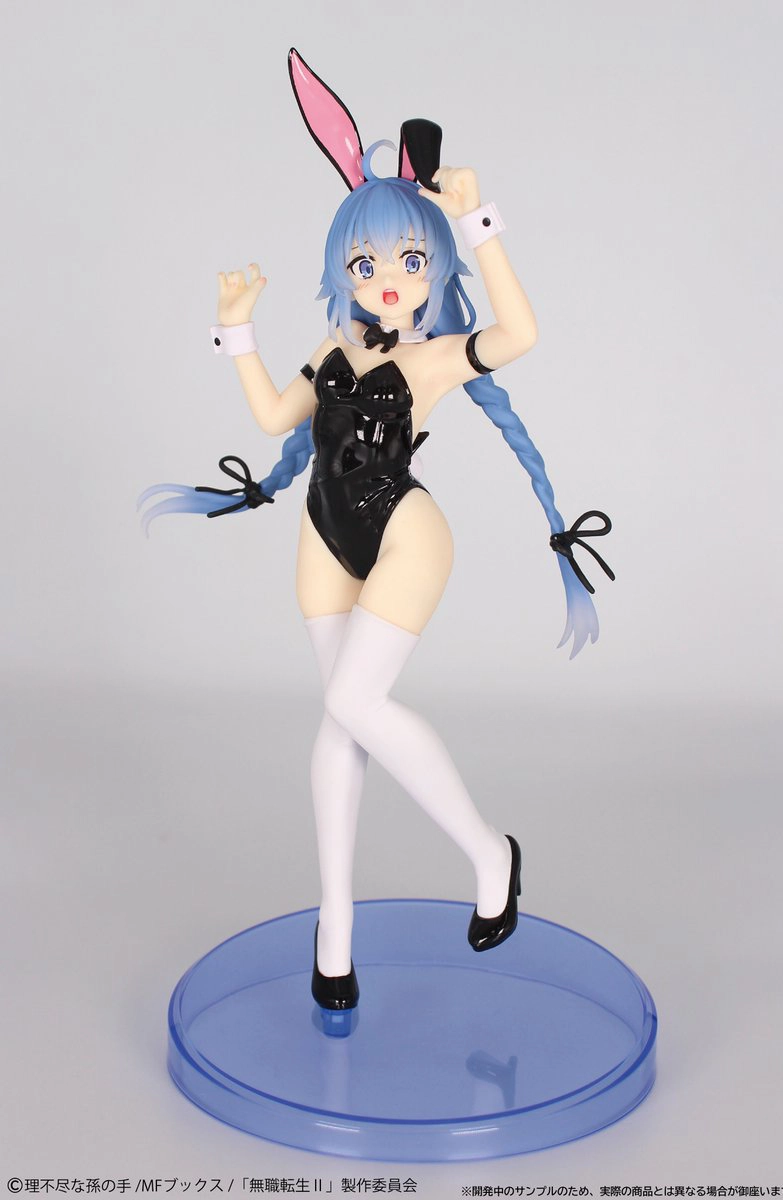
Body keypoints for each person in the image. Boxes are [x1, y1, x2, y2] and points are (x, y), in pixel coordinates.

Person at [139, 49, 613, 1022]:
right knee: (339, 723)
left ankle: (489, 852)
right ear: (342, 272)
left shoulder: (435, 356)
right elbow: (275, 419)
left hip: (405, 531)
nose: (388, 280)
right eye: (366, 264)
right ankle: (336, 928)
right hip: (322, 533)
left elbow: (520, 335)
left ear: (432, 264)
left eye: (408, 260)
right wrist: (237, 330)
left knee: (355, 700)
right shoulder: (331, 345)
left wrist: (478, 222)